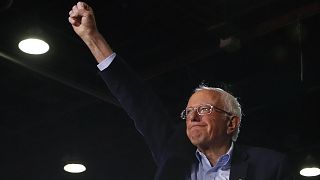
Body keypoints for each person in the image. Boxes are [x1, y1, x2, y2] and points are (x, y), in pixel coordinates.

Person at [68, 2, 294, 180]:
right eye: (188, 112)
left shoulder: (269, 166)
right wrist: (92, 37)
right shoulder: (174, 152)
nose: (193, 117)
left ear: (231, 122)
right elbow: (138, 102)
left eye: (204, 109)